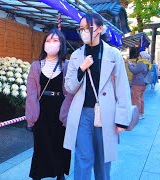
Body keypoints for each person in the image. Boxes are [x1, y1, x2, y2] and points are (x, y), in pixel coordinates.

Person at [63, 12, 132, 180]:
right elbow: (69, 87)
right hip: (82, 114)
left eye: (87, 28)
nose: (83, 32)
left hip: (106, 113)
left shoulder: (113, 54)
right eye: (81, 29)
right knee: (83, 158)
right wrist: (81, 68)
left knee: (103, 159)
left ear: (99, 29)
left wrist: (122, 119)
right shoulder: (76, 55)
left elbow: (122, 87)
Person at [25, 28, 73, 180]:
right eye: (48, 40)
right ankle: (38, 175)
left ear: (62, 44)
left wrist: (65, 115)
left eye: (55, 40)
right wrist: (31, 117)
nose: (51, 43)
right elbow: (31, 93)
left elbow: (70, 92)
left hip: (60, 110)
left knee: (60, 145)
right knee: (41, 146)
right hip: (42, 109)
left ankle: (60, 174)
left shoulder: (67, 66)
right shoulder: (36, 66)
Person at [128, 51, 151, 119]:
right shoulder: (147, 63)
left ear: (142, 56)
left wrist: (130, 65)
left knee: (136, 99)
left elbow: (134, 70)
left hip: (137, 83)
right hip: (143, 83)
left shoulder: (141, 63)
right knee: (141, 99)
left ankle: (137, 114)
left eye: (140, 55)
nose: (139, 56)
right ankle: (141, 113)